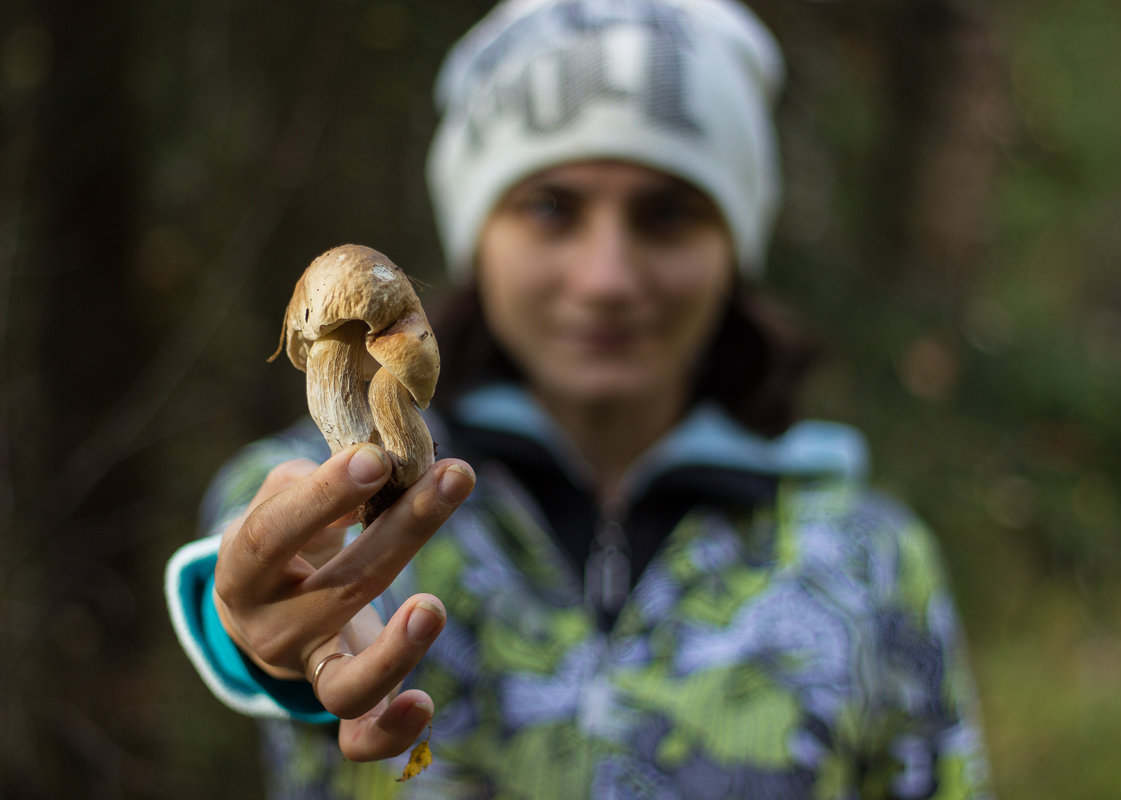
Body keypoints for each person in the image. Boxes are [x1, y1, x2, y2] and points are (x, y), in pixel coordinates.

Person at [165, 0, 994, 797]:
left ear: (733, 245)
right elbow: (242, 559)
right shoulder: (337, 485)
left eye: (666, 214)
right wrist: (269, 642)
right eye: (551, 208)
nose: (606, 279)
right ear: (477, 233)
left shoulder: (868, 561)